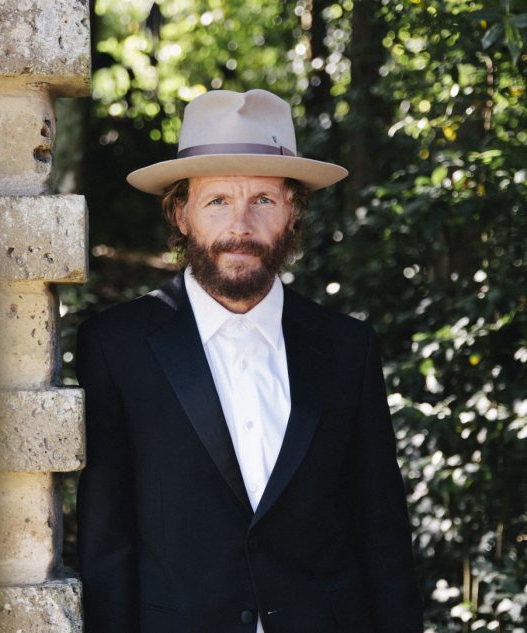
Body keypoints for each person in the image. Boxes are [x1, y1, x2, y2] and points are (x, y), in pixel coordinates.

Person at [76, 88, 423, 633]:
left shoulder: (347, 348)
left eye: (263, 200)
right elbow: (106, 543)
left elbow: (382, 535)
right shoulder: (115, 346)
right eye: (218, 201)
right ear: (181, 214)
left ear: (293, 214)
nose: (240, 225)